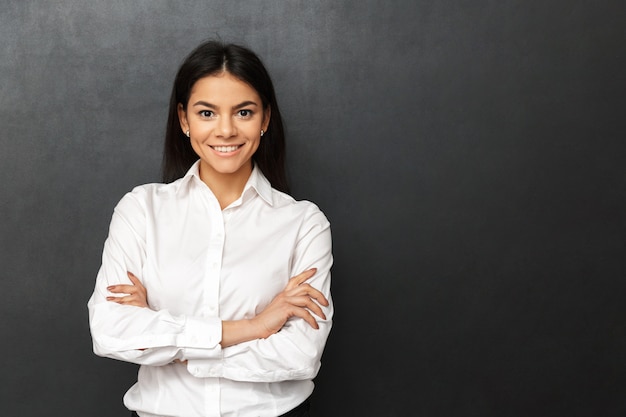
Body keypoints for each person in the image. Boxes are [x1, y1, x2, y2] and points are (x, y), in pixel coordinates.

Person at [87, 40, 333, 417]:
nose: (225, 130)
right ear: (184, 120)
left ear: (265, 119)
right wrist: (254, 327)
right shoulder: (141, 210)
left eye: (244, 112)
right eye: (207, 113)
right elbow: (111, 331)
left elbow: (299, 356)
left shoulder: (303, 224)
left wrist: (175, 351)